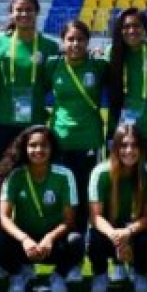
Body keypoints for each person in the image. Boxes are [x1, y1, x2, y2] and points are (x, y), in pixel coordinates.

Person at [0, 125, 85, 292]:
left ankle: (58, 276)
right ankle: (18, 275)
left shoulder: (64, 175)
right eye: (32, 145)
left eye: (44, 145)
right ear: (24, 148)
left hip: (53, 242)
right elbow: (4, 217)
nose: (38, 150)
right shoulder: (14, 175)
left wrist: (49, 238)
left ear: (51, 148)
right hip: (25, 244)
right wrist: (25, 240)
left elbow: (69, 221)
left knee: (76, 241)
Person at [45, 19, 107, 232]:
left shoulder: (99, 65)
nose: (75, 44)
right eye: (70, 39)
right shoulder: (52, 65)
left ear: (88, 42)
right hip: (59, 140)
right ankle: (61, 244)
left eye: (80, 39)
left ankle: (80, 246)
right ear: (62, 42)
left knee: (84, 193)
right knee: (61, 193)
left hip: (89, 139)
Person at [0, 0, 60, 167]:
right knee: (1, 173)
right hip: (2, 119)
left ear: (37, 12)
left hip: (34, 120)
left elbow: (52, 82)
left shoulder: (49, 46)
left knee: (32, 173)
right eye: (19, 10)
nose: (24, 14)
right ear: (11, 13)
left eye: (29, 10)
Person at [87, 124, 147, 292]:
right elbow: (95, 217)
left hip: (135, 228)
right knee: (93, 236)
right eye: (124, 145)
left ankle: (140, 274)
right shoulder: (100, 172)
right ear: (115, 148)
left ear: (141, 148)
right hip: (109, 229)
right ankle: (101, 275)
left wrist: (128, 232)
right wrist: (114, 235)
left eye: (134, 145)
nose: (129, 150)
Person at [107, 8, 147, 165]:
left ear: (145, 28)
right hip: (121, 129)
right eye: (126, 27)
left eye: (136, 26)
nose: (131, 30)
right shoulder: (111, 53)